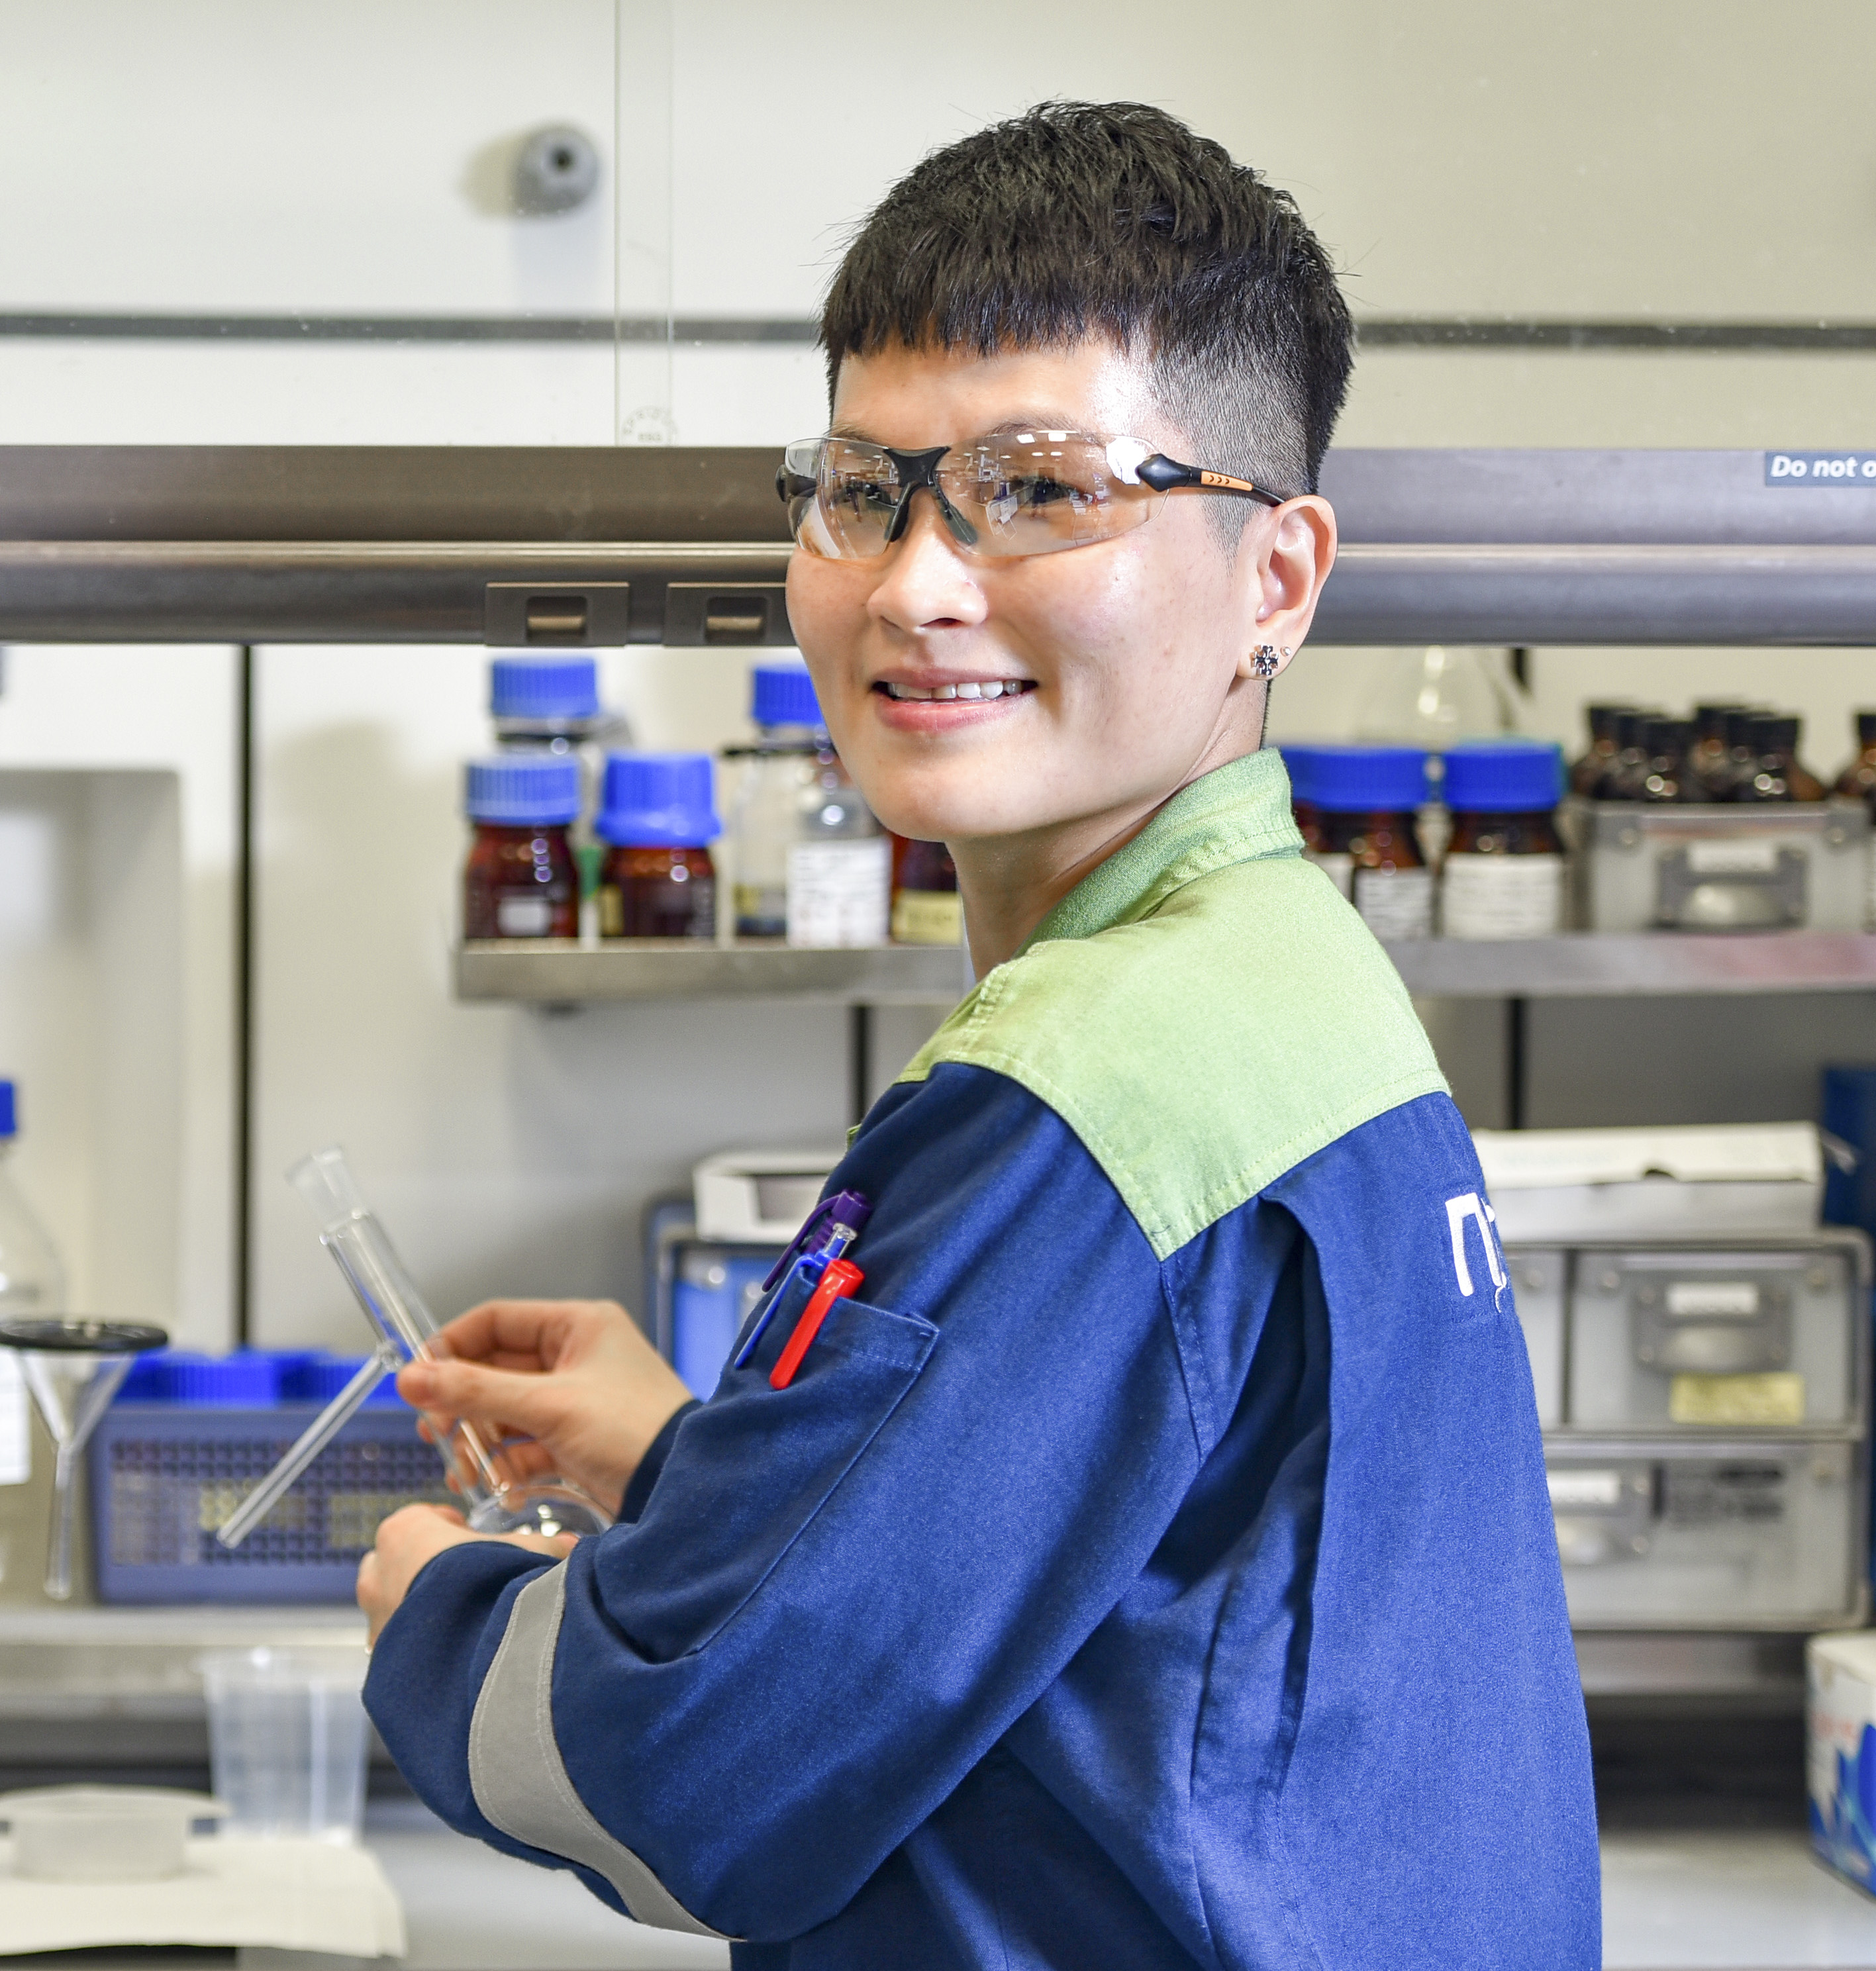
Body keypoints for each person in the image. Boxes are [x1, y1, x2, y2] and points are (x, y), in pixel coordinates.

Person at [357, 102, 1597, 1970]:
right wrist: (697, 1469)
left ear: (1274, 575)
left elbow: (699, 1781)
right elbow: (1113, 1602)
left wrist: (434, 1618)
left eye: (1039, 488)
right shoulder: (1280, 969)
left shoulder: (1088, 1089)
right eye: (864, 487)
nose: (915, 582)